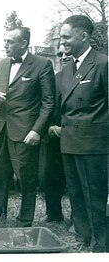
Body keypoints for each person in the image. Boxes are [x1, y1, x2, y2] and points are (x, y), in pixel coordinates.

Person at [0, 27, 55, 227]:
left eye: (9, 41)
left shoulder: (42, 64)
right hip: (0, 129)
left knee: (26, 177)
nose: (5, 44)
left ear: (24, 43)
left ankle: (24, 220)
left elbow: (48, 102)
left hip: (25, 132)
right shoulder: (1, 64)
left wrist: (36, 130)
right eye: (5, 40)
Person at [58, 15, 108, 252]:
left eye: (66, 37)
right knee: (76, 195)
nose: (62, 42)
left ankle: (100, 245)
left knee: (95, 198)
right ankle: (83, 238)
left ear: (84, 36)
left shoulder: (103, 64)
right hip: (69, 143)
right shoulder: (68, 68)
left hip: (94, 146)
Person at [40, 45, 71, 223]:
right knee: (50, 177)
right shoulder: (53, 78)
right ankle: (53, 214)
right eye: (59, 54)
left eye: (66, 53)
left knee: (75, 180)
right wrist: (49, 126)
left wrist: (65, 129)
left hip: (76, 135)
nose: (63, 56)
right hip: (53, 137)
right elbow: (45, 104)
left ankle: (78, 217)